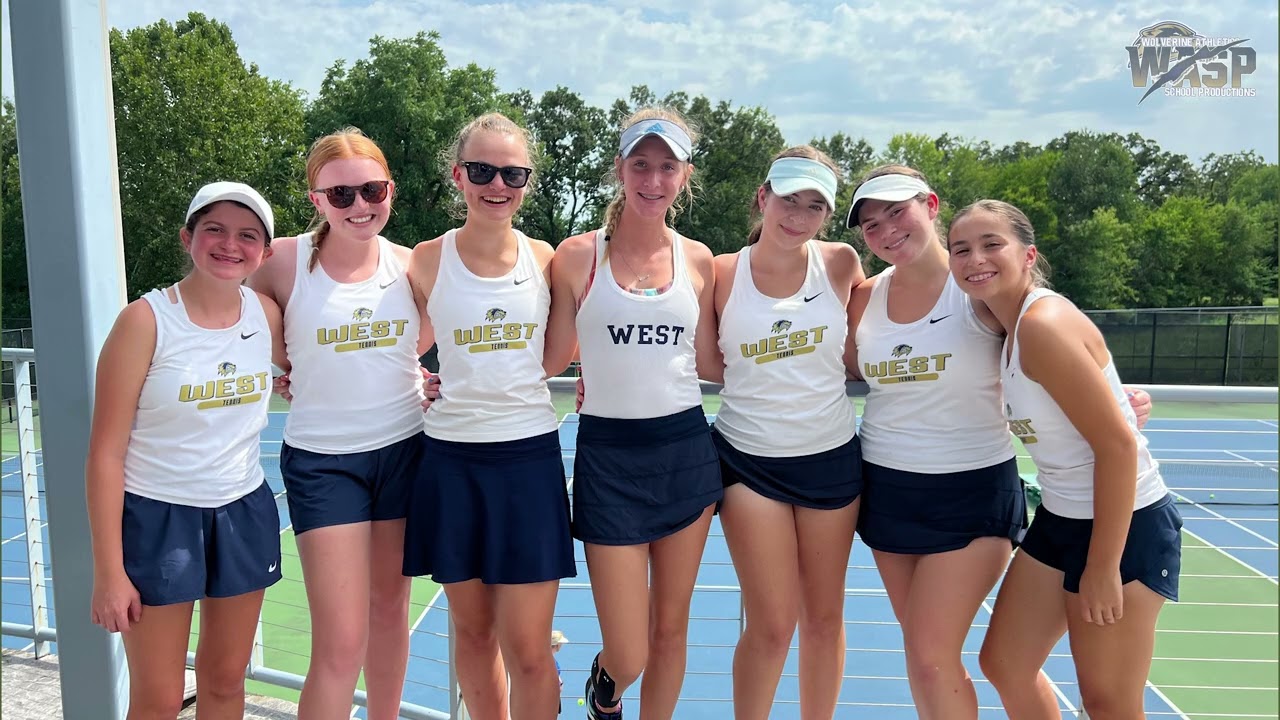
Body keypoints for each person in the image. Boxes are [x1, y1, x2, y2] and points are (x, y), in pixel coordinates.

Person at [845, 166, 1152, 719]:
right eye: (870, 223)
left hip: (973, 490)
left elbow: (1070, 352)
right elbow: (839, 368)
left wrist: (1117, 398)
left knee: (933, 651)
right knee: (944, 659)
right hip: (889, 489)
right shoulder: (866, 299)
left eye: (897, 211)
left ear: (930, 205)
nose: (887, 229)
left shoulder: (982, 296)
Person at [947, 199, 1180, 720]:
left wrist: (1102, 567)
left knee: (1109, 703)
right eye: (960, 249)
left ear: (1028, 254)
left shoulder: (1041, 326)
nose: (975, 258)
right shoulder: (1000, 324)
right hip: (1062, 517)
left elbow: (1118, 446)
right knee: (1005, 663)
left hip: (1126, 524)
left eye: (992, 245)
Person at [248, 127, 429, 720]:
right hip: (324, 462)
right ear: (316, 201)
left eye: (371, 189)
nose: (359, 205)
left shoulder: (412, 266)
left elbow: (432, 341)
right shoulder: (281, 262)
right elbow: (231, 316)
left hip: (404, 449)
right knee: (340, 639)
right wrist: (274, 366)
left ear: (390, 191)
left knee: (389, 613)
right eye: (341, 194)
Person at [87, 182, 285, 719]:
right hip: (158, 516)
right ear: (187, 238)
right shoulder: (144, 321)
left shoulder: (266, 316)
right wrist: (109, 572)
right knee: (158, 698)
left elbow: (315, 368)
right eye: (214, 229)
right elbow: (105, 453)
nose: (229, 245)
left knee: (224, 684)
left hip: (243, 510)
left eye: (247, 235)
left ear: (264, 252)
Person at [548, 108, 722, 720]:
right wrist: (431, 375)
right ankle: (607, 683)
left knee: (672, 630)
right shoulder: (575, 257)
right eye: (640, 164)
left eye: (666, 166)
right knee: (630, 648)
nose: (652, 178)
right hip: (608, 458)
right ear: (620, 170)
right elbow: (543, 355)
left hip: (684, 452)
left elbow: (720, 364)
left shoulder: (700, 261)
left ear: (684, 175)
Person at [403, 112, 576, 720]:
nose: (496, 184)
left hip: (527, 461)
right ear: (458, 175)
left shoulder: (547, 258)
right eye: (481, 170)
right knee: (473, 637)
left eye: (512, 172)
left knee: (529, 650)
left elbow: (563, 353)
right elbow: (385, 338)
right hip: (450, 460)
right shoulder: (424, 260)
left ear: (527, 181)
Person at [701, 146, 865, 719]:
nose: (798, 215)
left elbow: (884, 339)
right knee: (772, 624)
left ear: (827, 215)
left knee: (824, 619)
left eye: (814, 205)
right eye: (788, 199)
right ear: (762, 197)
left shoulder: (842, 264)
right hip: (749, 460)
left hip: (831, 459)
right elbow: (702, 363)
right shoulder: (721, 272)